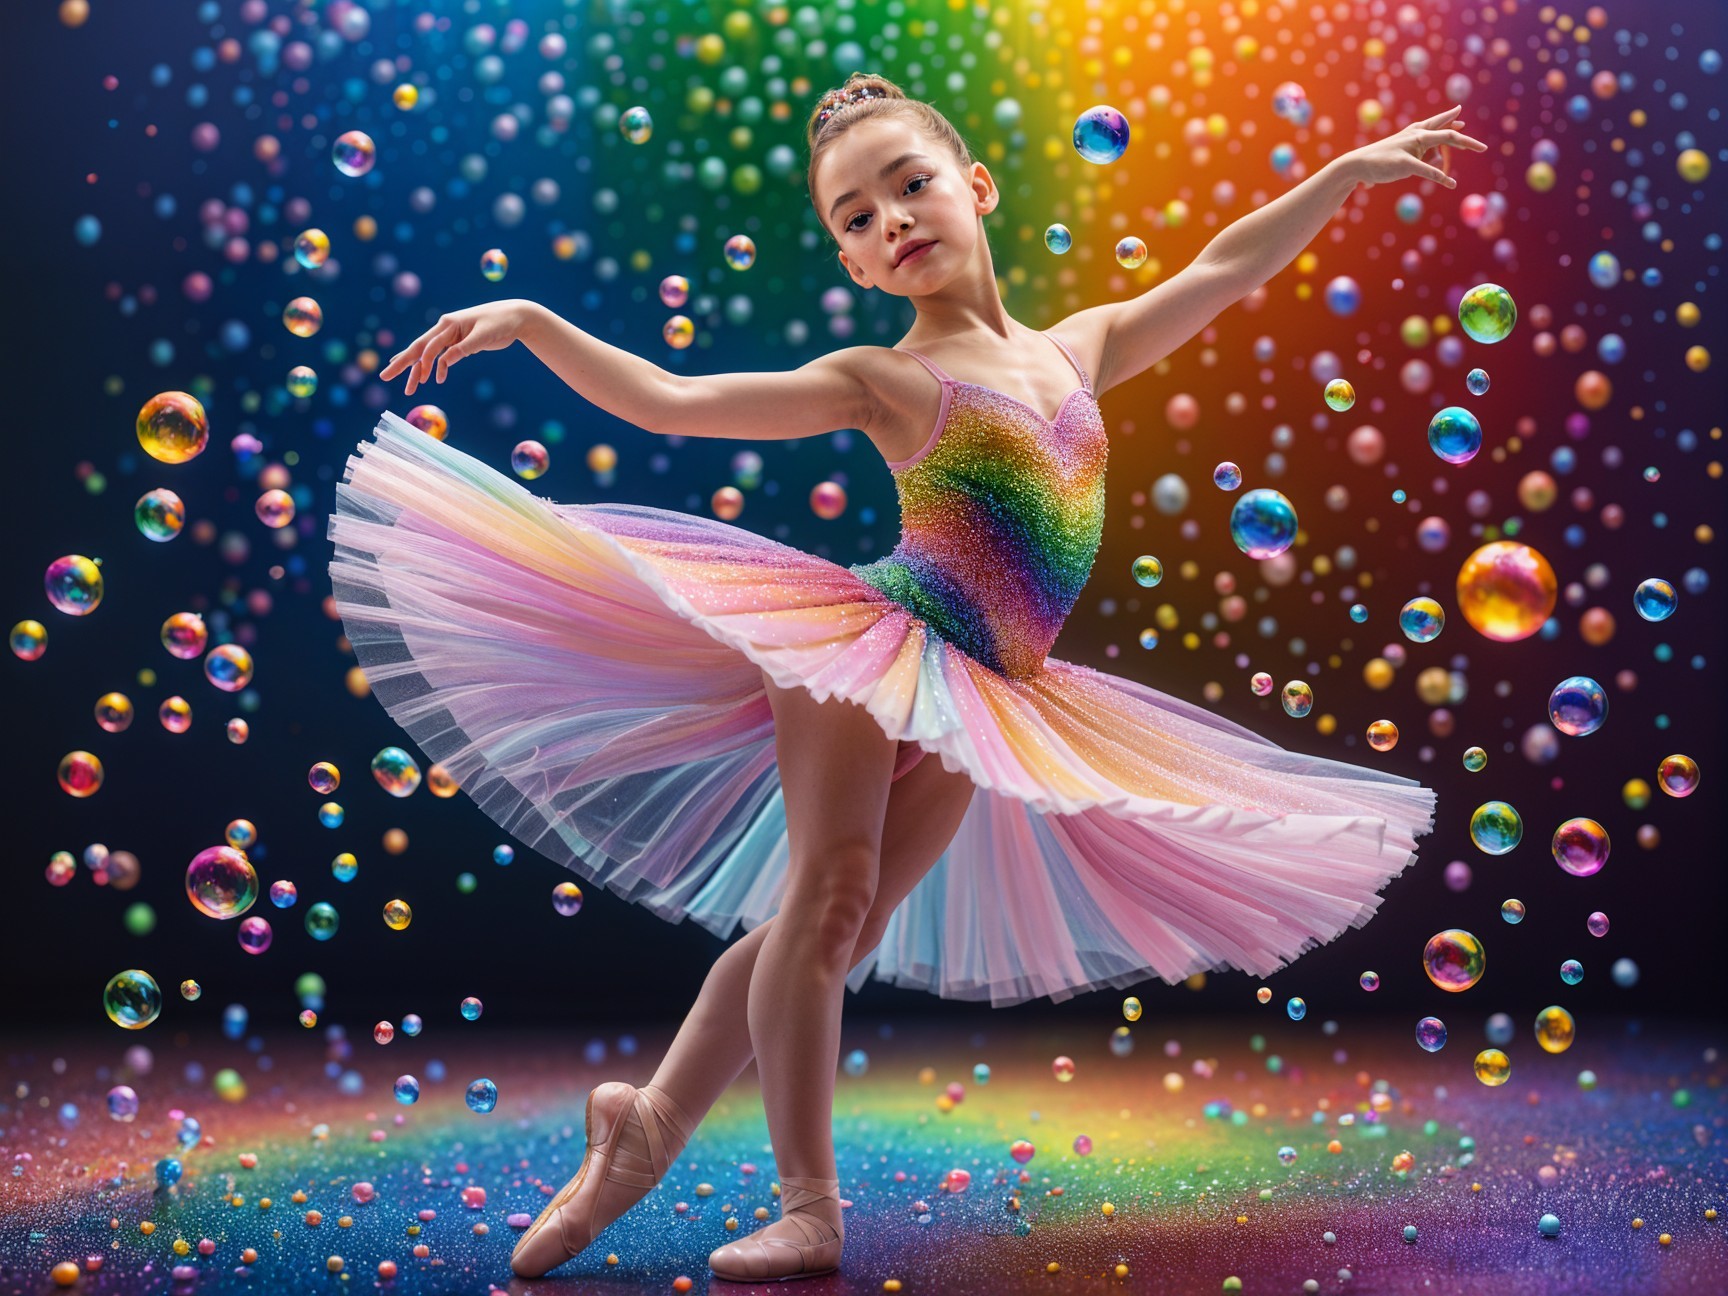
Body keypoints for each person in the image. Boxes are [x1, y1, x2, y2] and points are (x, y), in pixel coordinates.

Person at [329, 72, 1477, 1283]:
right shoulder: (886, 380)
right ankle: (807, 1207)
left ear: (974, 189)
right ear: (859, 267)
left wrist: (1345, 175)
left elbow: (1222, 268)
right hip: (875, 646)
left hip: (989, 685)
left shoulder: (1078, 352)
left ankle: (647, 1126)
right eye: (856, 219)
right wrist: (530, 320)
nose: (893, 221)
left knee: (828, 924)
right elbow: (672, 401)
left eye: (910, 185)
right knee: (830, 902)